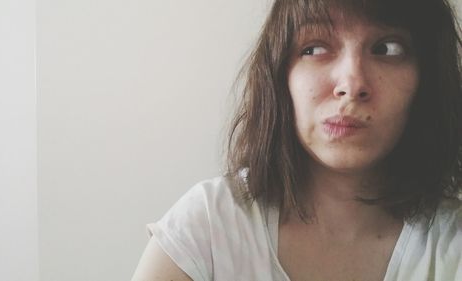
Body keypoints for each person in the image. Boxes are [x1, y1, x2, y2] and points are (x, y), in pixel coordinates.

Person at [132, 0, 462, 280]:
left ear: (427, 80)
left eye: (387, 48)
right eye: (315, 48)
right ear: (279, 76)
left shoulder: (452, 242)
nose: (351, 83)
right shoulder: (208, 226)